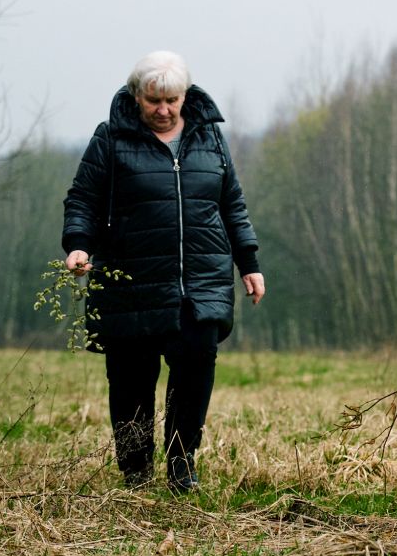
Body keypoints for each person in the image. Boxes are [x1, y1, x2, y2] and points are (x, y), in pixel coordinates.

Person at [62, 51, 265, 493]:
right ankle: (136, 471)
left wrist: (248, 263)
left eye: (172, 100)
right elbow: (83, 199)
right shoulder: (111, 138)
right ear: (136, 96)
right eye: (154, 100)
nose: (163, 110)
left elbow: (231, 202)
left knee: (196, 368)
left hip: (200, 282)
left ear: (184, 96)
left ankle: (181, 465)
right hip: (131, 282)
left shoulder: (209, 137)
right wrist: (78, 244)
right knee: (131, 380)